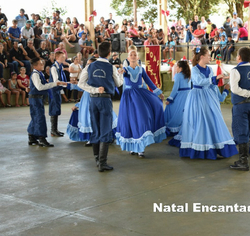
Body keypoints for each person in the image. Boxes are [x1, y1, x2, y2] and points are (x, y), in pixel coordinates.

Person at [169, 47, 237, 160]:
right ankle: (199, 148)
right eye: (209, 55)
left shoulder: (210, 69)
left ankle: (213, 146)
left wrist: (222, 90)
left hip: (208, 97)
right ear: (202, 57)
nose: (210, 57)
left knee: (213, 120)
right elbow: (199, 81)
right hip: (196, 97)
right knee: (199, 121)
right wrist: (214, 79)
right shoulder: (195, 69)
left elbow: (211, 84)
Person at [78, 41, 124, 172]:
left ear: (97, 52)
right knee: (105, 129)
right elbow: (119, 83)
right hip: (105, 100)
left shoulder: (90, 66)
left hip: (93, 100)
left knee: (95, 128)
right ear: (109, 54)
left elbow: (81, 84)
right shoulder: (111, 67)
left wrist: (94, 89)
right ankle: (102, 163)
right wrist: (120, 73)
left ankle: (97, 159)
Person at [115, 48, 165, 158]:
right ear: (128, 58)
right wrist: (121, 72)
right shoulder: (126, 69)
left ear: (137, 57)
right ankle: (133, 147)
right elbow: (122, 74)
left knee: (142, 118)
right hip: (128, 97)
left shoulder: (141, 69)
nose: (133, 56)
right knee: (130, 120)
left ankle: (141, 147)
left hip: (140, 96)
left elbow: (149, 82)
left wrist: (159, 93)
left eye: (135, 54)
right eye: (131, 54)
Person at [229, 47, 250, 171]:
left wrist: (249, 92)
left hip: (241, 105)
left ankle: (243, 161)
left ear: (239, 57)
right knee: (249, 130)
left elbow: (234, 89)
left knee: (241, 130)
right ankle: (244, 159)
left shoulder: (235, 70)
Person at [27, 57, 67, 147]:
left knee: (35, 117)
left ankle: (32, 136)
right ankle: (41, 138)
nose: (43, 65)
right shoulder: (35, 74)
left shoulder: (39, 73)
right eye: (40, 64)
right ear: (35, 66)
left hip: (37, 98)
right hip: (35, 98)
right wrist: (53, 84)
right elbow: (39, 87)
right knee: (39, 117)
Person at [164, 60, 191, 136]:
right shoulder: (188, 75)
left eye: (176, 67)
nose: (175, 68)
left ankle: (173, 127)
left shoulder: (178, 75)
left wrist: (169, 99)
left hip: (181, 95)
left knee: (170, 107)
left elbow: (175, 89)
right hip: (188, 95)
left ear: (180, 68)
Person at [48, 51, 67, 137]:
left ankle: (55, 129)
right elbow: (56, 80)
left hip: (57, 90)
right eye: (62, 57)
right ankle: (53, 130)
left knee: (57, 109)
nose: (64, 58)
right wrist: (65, 83)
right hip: (53, 90)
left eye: (64, 57)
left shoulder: (60, 66)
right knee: (54, 109)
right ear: (57, 58)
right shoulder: (54, 67)